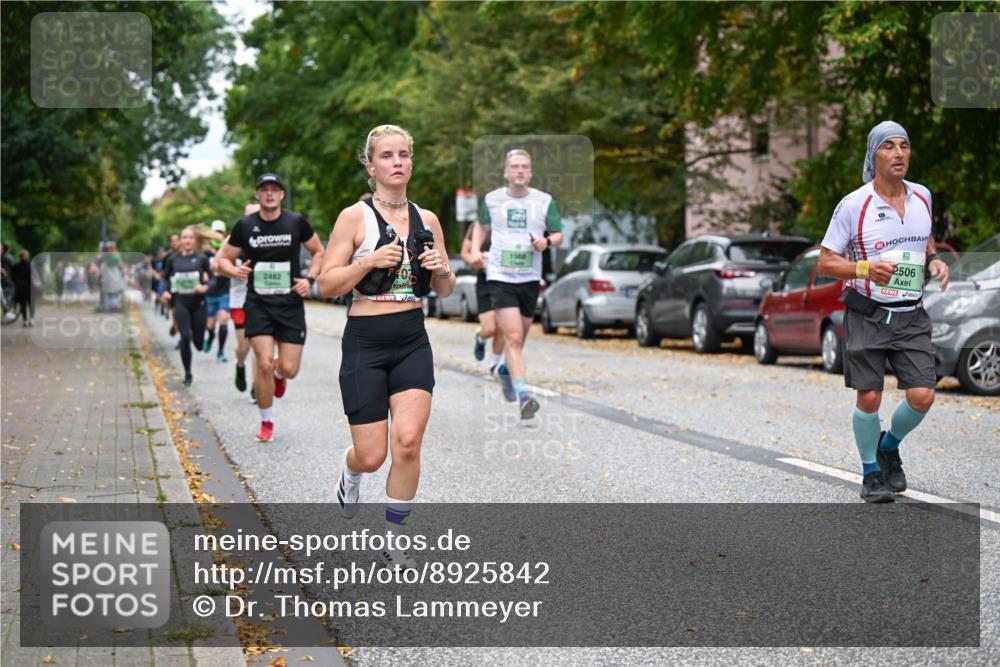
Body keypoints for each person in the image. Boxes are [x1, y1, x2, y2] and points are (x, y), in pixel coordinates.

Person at [319, 124, 454, 569]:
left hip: (412, 338)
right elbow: (326, 283)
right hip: (366, 341)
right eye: (387, 156)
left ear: (411, 162)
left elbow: (447, 290)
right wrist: (369, 261)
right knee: (373, 455)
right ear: (371, 165)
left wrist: (441, 270)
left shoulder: (428, 219)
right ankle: (352, 468)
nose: (397, 162)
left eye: (403, 155)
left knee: (409, 442)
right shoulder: (353, 218)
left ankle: (394, 538)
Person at [816, 120, 950, 504]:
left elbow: (923, 235)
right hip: (869, 313)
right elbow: (826, 262)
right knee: (870, 397)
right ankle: (871, 473)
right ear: (874, 155)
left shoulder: (922, 196)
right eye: (889, 147)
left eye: (904, 146)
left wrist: (935, 259)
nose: (898, 154)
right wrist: (864, 268)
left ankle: (888, 446)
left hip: (910, 314)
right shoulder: (854, 205)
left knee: (923, 395)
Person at [216, 174, 324, 442]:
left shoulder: (295, 222)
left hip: (289, 304)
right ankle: (266, 422)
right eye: (264, 190)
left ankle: (280, 373)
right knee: (262, 363)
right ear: (257, 195)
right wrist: (235, 271)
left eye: (274, 189)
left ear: (281, 194)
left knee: (290, 369)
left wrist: (309, 279)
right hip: (258, 303)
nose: (269, 194)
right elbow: (222, 260)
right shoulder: (245, 226)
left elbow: (319, 251)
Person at [470, 148, 563, 419]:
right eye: (515, 166)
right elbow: (481, 226)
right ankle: (524, 395)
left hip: (530, 278)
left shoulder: (544, 201)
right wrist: (476, 250)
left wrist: (547, 242)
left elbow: (558, 234)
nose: (520, 170)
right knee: (511, 337)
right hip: (500, 277)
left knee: (519, 339)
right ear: (506, 172)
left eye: (525, 166)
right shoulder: (492, 199)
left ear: (530, 172)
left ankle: (504, 371)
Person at [161, 227, 212, 386]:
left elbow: (213, 279)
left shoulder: (202, 259)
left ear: (194, 240)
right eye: (184, 237)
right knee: (184, 337)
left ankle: (200, 338)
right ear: (180, 241)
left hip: (199, 304)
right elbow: (165, 278)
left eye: (190, 237)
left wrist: (205, 287)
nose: (187, 240)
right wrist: (167, 291)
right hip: (181, 303)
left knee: (198, 343)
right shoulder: (172, 259)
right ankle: (188, 373)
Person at [460, 221, 505, 373]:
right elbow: (465, 252)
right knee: (490, 328)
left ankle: (494, 364)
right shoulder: (478, 226)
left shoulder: (509, 223)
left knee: (502, 325)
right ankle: (481, 337)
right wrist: (476, 261)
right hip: (485, 280)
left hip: (506, 279)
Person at [229, 203, 260, 397]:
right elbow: (217, 264)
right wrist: (234, 270)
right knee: (244, 346)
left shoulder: (269, 238)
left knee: (259, 345)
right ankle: (240, 364)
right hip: (239, 300)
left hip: (261, 301)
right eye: (250, 215)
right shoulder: (234, 240)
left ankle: (258, 387)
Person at [204, 220, 231, 362]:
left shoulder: (229, 250)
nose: (218, 235)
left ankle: (220, 351)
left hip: (224, 292)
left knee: (224, 319)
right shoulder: (206, 251)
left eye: (220, 233)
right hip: (210, 293)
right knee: (210, 324)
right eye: (216, 232)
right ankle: (210, 337)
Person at [12, 249, 36, 326]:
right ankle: (31, 319)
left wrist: (18, 283)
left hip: (20, 288)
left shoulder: (16, 266)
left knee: (23, 304)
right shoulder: (31, 265)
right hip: (30, 287)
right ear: (27, 256)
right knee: (31, 304)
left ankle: (25, 320)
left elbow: (13, 277)